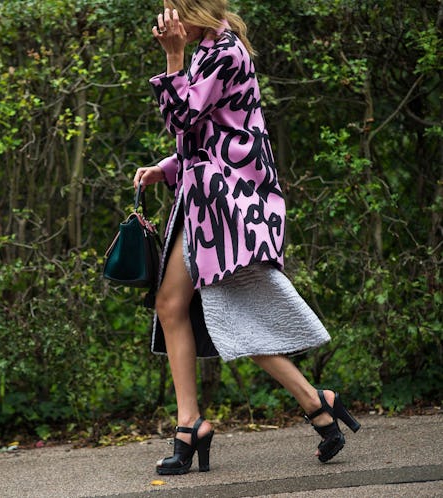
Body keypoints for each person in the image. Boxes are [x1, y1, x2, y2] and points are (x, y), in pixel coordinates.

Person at [133, 0, 361, 475]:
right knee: (172, 305)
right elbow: (215, 132)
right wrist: (168, 168)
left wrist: (172, 59)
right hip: (204, 198)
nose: (168, 24)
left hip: (224, 206)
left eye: (175, 14)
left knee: (230, 314)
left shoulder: (222, 52)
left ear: (195, 11)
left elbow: (185, 120)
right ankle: (192, 422)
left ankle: (313, 403)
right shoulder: (210, 48)